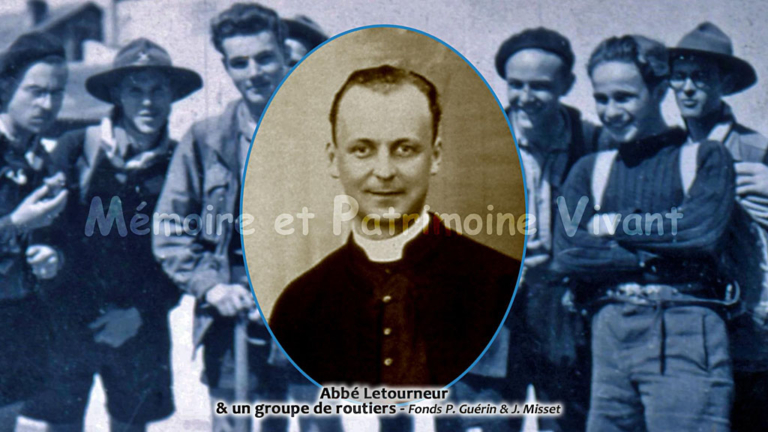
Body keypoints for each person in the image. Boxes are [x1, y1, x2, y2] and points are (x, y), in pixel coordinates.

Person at [269, 64, 520, 389]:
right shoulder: (299, 305)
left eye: (405, 149)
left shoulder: (501, 286)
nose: (384, 171)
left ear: (436, 156)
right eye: (362, 150)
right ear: (333, 159)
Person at [152, 4, 337, 432]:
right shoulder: (206, 140)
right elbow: (170, 230)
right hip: (230, 315)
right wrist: (212, 287)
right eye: (240, 62)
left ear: (284, 56)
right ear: (226, 66)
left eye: (265, 58)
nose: (254, 72)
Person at [16, 38, 201, 432]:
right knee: (61, 424)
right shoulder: (75, 149)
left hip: (139, 326)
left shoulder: (181, 164)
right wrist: (49, 254)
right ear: (117, 93)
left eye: (158, 90)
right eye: (135, 89)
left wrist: (138, 313)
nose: (147, 102)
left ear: (172, 95)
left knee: (130, 424)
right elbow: (45, 230)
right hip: (66, 322)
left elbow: (185, 251)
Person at [553, 35, 735, 431]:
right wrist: (648, 256)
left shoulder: (705, 158)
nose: (610, 111)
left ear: (659, 90)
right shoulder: (588, 170)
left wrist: (611, 226)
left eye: (624, 97)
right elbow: (568, 249)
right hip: (609, 333)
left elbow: (697, 231)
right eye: (602, 99)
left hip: (684, 330)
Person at [442, 27, 596, 432]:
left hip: (563, 316)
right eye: (516, 85)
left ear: (568, 85)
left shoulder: (594, 141)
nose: (525, 98)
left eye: (541, 87)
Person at [669, 22, 768, 431]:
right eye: (680, 76)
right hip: (687, 324)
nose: (689, 87)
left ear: (724, 83)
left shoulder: (756, 149)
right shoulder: (666, 152)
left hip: (752, 324)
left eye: (701, 77)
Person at [0, 32, 69, 432]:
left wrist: (51, 256)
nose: (47, 104)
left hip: (17, 319)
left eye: (56, 93)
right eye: (35, 91)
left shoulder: (38, 157)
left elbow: (50, 235)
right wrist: (15, 225)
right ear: (7, 86)